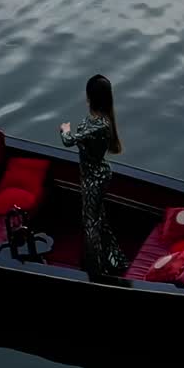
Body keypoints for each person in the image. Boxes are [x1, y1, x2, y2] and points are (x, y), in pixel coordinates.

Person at [60, 73, 127, 277]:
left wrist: (64, 129)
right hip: (99, 174)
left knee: (90, 222)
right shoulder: (103, 121)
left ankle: (95, 270)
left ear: (89, 97)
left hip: (92, 180)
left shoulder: (95, 124)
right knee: (101, 219)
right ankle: (114, 258)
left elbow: (69, 141)